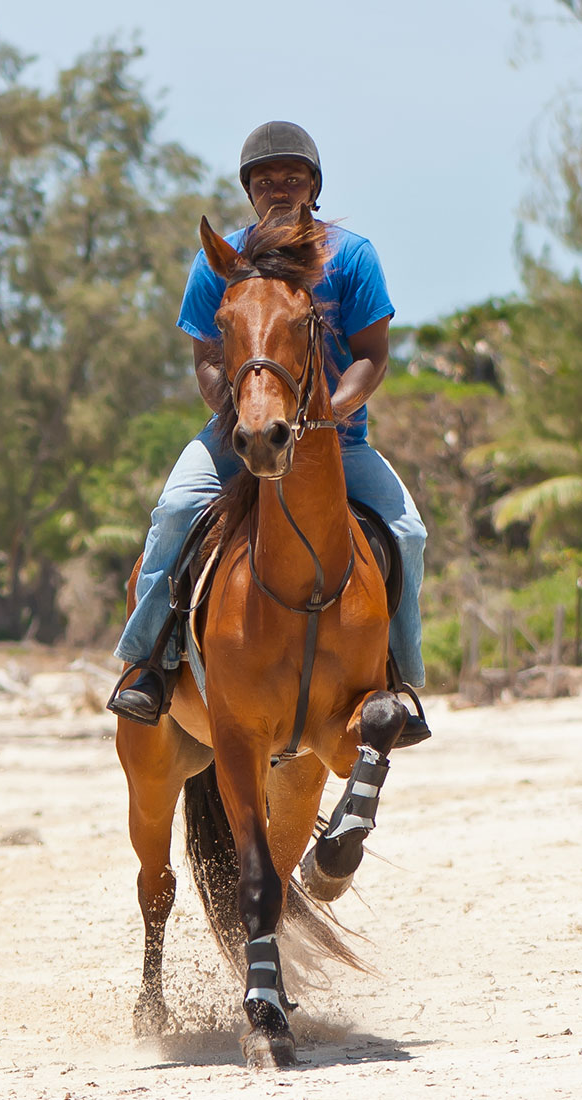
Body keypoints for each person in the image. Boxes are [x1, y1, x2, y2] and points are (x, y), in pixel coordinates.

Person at [107, 121, 429, 738]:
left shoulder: (352, 256)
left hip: (337, 440)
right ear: (249, 190)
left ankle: (401, 676)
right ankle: (147, 662)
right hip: (238, 434)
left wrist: (326, 415)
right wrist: (241, 414)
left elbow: (372, 354)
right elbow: (206, 359)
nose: (278, 187)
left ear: (314, 185)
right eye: (264, 179)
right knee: (175, 509)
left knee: (408, 533)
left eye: (292, 176)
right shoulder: (221, 260)